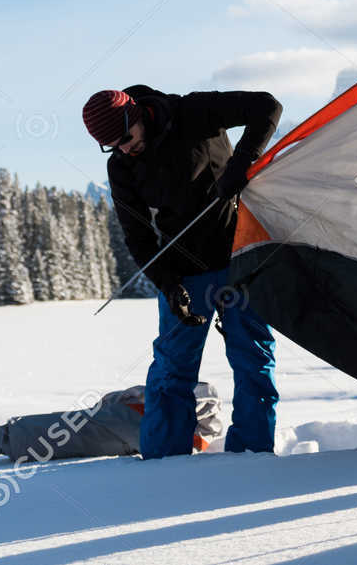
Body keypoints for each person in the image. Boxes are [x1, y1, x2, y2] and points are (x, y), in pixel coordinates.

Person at [83, 84, 283, 458]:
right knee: (172, 370)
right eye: (113, 145)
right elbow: (138, 235)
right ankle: (165, 463)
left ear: (136, 114)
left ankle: (253, 456)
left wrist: (241, 164)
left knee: (252, 358)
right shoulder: (122, 166)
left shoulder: (192, 112)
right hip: (185, 271)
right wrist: (168, 284)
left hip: (240, 255)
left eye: (125, 137)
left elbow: (267, 107)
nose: (124, 148)